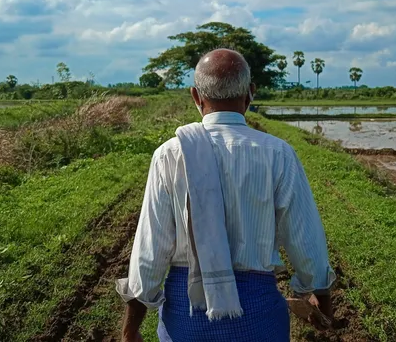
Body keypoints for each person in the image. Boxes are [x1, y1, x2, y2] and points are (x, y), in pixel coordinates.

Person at [116, 49, 335, 342]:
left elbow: (151, 249)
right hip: (258, 317)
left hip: (186, 317)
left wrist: (131, 328)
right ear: (250, 94)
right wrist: (320, 294)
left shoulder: (170, 154)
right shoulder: (277, 153)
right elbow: (305, 238)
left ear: (196, 96)